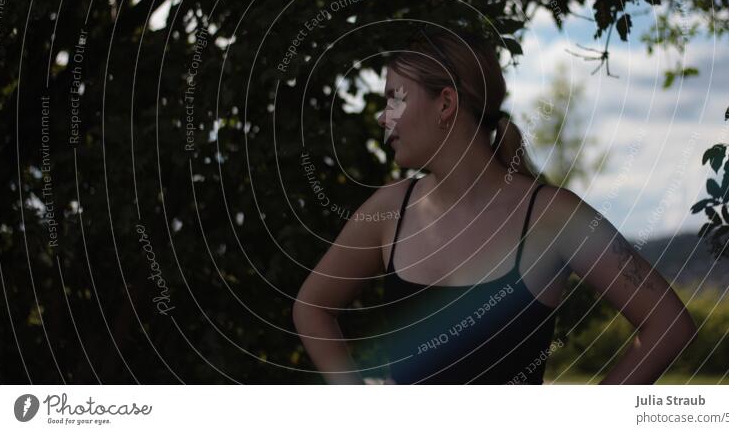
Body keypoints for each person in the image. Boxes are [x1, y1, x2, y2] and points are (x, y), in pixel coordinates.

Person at [293, 25, 697, 384]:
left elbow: (668, 324)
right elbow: (311, 308)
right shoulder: (387, 212)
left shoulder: (552, 216)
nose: (384, 118)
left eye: (395, 99)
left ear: (445, 104)